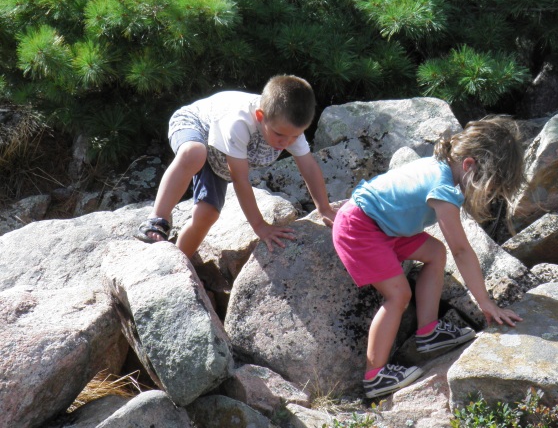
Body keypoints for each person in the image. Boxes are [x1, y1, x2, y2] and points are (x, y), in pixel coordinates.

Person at [332, 115, 525, 399]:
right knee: (398, 295)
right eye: (487, 185)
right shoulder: (442, 188)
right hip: (360, 227)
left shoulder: (440, 168)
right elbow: (461, 249)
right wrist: (485, 302)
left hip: (385, 225)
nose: (486, 194)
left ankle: (428, 331)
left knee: (435, 252)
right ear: (469, 165)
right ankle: (375, 376)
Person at [135, 75, 336, 257]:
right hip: (196, 126)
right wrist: (259, 225)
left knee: (208, 214)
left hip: (220, 158)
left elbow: (308, 166)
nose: (286, 142)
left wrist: (324, 209)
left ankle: (178, 261)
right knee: (194, 153)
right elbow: (240, 179)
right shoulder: (239, 122)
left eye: (294, 136)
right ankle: (157, 219)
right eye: (279, 135)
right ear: (260, 116)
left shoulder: (289, 131)